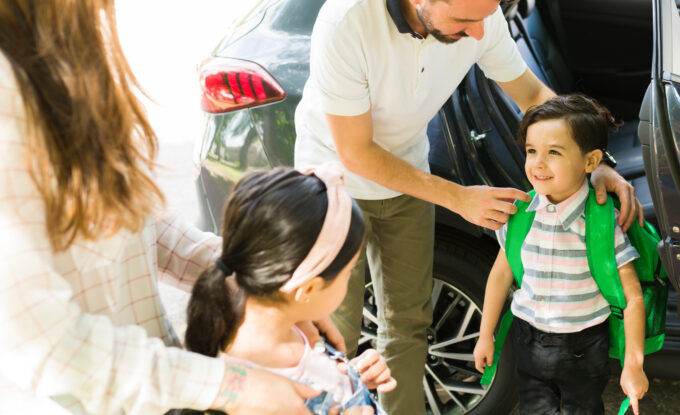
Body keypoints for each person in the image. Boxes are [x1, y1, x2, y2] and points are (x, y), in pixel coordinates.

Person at [295, 0, 645, 411]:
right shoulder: (347, 20)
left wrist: (596, 161)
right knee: (331, 333)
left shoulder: (480, 14)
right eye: (465, 21)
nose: (479, 34)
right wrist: (459, 198)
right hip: (336, 187)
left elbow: (532, 94)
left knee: (408, 324)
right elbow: (356, 152)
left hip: (410, 179)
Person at [0, 1, 335, 413]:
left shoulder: (67, 56)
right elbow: (44, 343)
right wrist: (232, 387)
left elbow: (138, 226)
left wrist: (273, 288)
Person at [473, 94, 649, 414]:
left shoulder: (600, 222)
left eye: (553, 152)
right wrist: (486, 334)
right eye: (531, 151)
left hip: (583, 346)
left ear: (591, 162)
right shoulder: (520, 214)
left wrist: (633, 365)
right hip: (527, 337)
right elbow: (501, 274)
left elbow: (633, 298)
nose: (538, 163)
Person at [183, 165, 397, 415]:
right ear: (307, 289)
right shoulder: (256, 400)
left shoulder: (297, 328)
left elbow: (322, 375)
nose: (348, 279)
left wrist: (352, 378)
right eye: (347, 273)